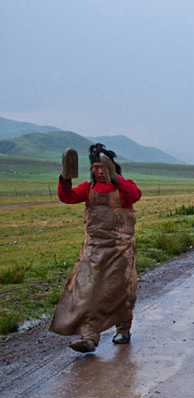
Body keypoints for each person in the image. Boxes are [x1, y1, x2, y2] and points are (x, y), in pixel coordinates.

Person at [50, 144, 142, 353]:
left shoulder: (123, 187)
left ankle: (123, 330)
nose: (99, 172)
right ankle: (90, 337)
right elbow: (67, 197)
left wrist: (117, 179)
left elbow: (135, 195)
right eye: (95, 167)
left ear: (111, 167)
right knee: (87, 291)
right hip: (93, 249)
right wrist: (65, 178)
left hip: (120, 250)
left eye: (103, 167)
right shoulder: (88, 188)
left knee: (120, 292)